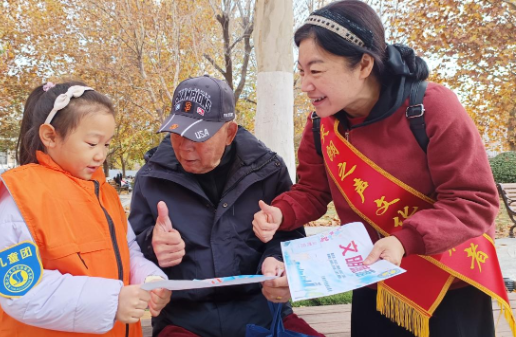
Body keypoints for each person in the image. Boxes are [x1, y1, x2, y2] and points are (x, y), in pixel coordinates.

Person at [252, 1, 515, 337]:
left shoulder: (431, 107)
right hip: (373, 282)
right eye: (301, 71)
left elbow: (474, 200)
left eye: (316, 71)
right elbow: (312, 191)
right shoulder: (321, 125)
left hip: (447, 286)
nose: (305, 84)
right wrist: (281, 212)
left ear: (363, 64)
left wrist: (405, 240)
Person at [0, 81, 171, 337]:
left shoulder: (104, 194)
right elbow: (20, 289)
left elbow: (127, 252)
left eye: (107, 145)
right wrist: (112, 302)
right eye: (91, 143)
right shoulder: (20, 199)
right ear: (50, 136)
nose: (101, 156)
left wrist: (151, 279)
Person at [130, 75, 324, 337]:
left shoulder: (268, 170)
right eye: (176, 132)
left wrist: (276, 260)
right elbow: (130, 253)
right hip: (185, 320)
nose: (185, 147)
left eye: (197, 136)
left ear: (229, 133)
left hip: (262, 314)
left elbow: (290, 234)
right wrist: (152, 245)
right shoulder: (151, 177)